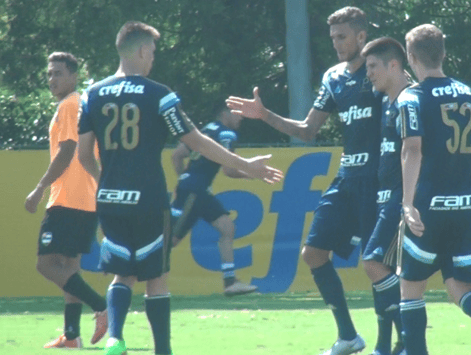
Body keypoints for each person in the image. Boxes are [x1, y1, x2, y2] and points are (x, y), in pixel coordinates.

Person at [77, 21, 282, 355]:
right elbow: (196, 142)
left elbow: (84, 154)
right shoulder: (159, 95)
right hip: (149, 200)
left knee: (121, 275)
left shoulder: (92, 95)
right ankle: (163, 351)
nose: (153, 59)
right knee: (156, 279)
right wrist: (248, 166)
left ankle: (115, 337)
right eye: (153, 52)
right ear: (142, 50)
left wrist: (106, 183)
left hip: (110, 200)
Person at [227, 7, 403, 355]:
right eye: (333, 37)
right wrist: (264, 115)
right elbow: (308, 131)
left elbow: (409, 105)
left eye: (343, 36)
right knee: (312, 254)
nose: (337, 44)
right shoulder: (334, 77)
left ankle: (393, 343)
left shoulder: (381, 71)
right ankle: (349, 337)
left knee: (376, 266)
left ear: (361, 37)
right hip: (347, 179)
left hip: (378, 181)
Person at [397, 24, 471, 355]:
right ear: (444, 54)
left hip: (428, 206)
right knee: (459, 285)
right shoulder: (468, 93)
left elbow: (412, 149)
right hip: (464, 204)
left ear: (410, 57)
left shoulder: (411, 97)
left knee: (411, 289)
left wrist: (407, 203)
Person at [24, 52, 108, 349]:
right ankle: (72, 335)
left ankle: (102, 306)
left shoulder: (71, 104)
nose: (52, 79)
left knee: (46, 265)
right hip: (85, 199)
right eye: (50, 74)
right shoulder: (78, 103)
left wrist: (39, 188)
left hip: (68, 198)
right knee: (69, 269)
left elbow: (68, 148)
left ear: (73, 76)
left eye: (58, 73)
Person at [170, 104, 258, 296]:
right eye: (237, 114)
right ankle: (136, 273)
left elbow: (176, 155)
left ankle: (230, 282)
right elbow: (229, 170)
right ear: (224, 113)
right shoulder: (227, 135)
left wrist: (183, 180)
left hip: (195, 190)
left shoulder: (204, 131)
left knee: (227, 227)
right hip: (195, 191)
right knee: (169, 241)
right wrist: (252, 174)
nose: (241, 118)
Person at [361, 37, 412, 355]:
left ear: (394, 65)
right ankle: (396, 342)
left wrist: (409, 200)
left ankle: (409, 336)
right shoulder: (386, 101)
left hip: (402, 197)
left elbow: (418, 152)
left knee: (373, 263)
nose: (368, 74)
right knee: (390, 271)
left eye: (372, 67)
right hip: (384, 196)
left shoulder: (411, 99)